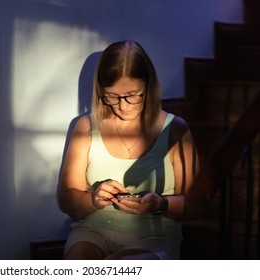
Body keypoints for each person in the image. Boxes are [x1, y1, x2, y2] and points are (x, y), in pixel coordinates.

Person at [57, 40, 199, 260]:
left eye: (133, 95)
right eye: (112, 96)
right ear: (101, 91)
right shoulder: (85, 126)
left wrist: (160, 204)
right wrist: (94, 198)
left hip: (155, 237)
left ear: (148, 87)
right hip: (92, 232)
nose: (123, 106)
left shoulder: (174, 129)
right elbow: (66, 200)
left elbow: (194, 206)